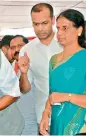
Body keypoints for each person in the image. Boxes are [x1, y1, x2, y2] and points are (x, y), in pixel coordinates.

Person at [40, 9, 86, 135]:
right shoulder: (54, 60)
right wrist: (46, 113)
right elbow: (52, 94)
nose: (59, 33)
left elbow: (61, 96)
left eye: (65, 28)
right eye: (58, 28)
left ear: (79, 30)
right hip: (56, 125)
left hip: (80, 128)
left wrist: (67, 97)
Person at [18, 3, 63, 132]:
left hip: (71, 113)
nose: (40, 28)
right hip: (43, 118)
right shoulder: (26, 50)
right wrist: (24, 73)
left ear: (53, 20)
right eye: (36, 24)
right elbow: (25, 89)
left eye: (44, 23)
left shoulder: (66, 43)